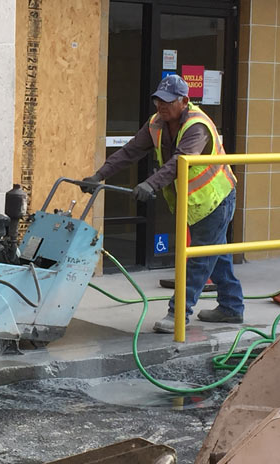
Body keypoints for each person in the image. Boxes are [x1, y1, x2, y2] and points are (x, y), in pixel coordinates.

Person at [81, 74, 244, 334]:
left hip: (215, 199)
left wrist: (150, 184)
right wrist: (99, 175)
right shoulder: (156, 123)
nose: (161, 106)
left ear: (184, 101)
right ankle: (231, 307)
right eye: (158, 100)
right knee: (216, 253)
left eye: (168, 102)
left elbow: (178, 162)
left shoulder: (197, 126)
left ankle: (178, 314)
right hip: (194, 202)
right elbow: (130, 151)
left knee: (200, 259)